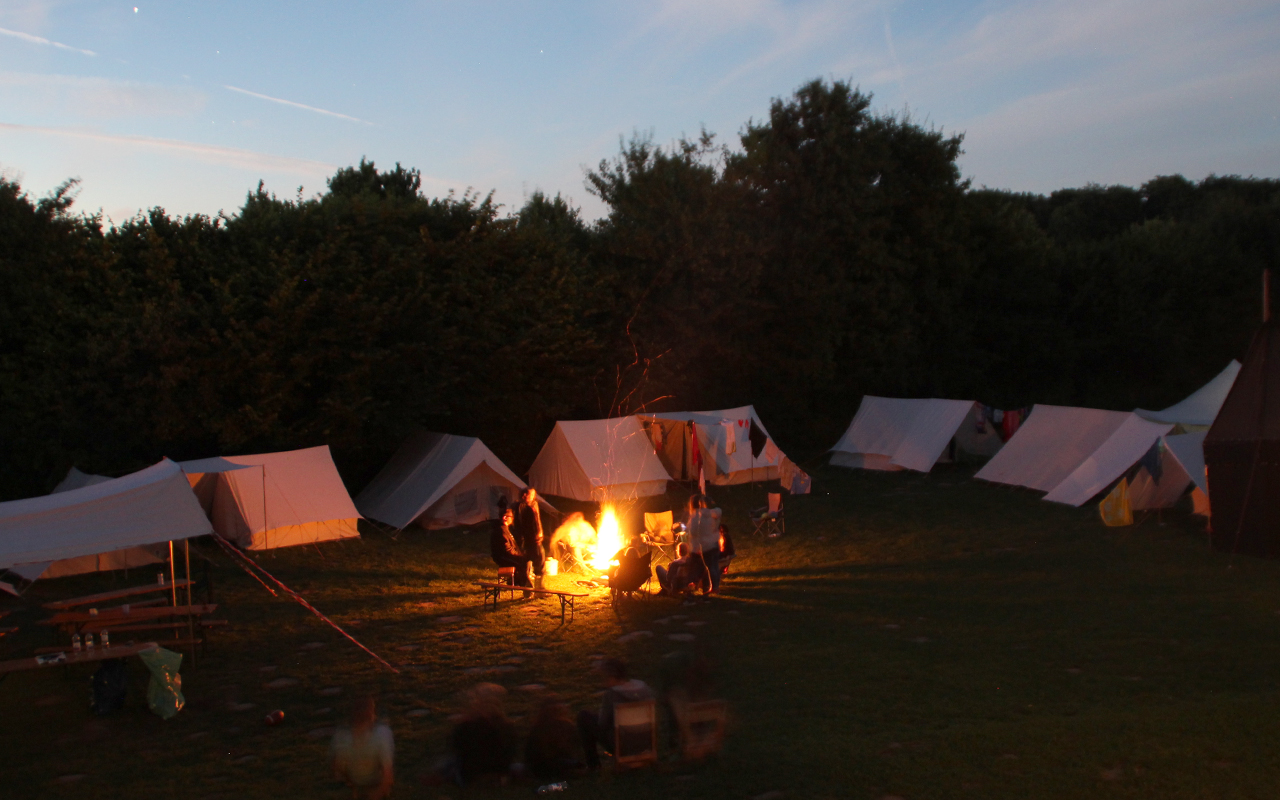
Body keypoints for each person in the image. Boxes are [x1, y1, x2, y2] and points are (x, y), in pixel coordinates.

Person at [428, 683, 518, 786]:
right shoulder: (507, 727)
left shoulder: (465, 727)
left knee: (445, 764)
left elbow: (457, 750)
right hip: (500, 776)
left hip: (470, 778)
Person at [577, 658, 654, 771]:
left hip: (622, 745)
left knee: (584, 716)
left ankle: (593, 765)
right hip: (645, 744)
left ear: (611, 676)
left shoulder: (612, 695)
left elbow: (602, 724)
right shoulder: (644, 688)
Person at [330, 695, 394, 799]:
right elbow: (388, 777)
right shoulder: (381, 735)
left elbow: (338, 770)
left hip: (369, 785)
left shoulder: (342, 738)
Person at [524, 696, 584, 783]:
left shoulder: (537, 727)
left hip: (539, 769)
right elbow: (577, 750)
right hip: (563, 766)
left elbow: (529, 754)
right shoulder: (568, 726)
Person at [685, 494, 723, 598]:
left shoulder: (696, 517)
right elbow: (718, 511)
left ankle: (714, 588)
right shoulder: (711, 513)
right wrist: (712, 501)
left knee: (711, 567)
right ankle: (716, 587)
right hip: (715, 542)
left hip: (706, 545)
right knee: (715, 566)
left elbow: (693, 532)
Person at [490, 507, 531, 588]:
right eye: (510, 517)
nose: (512, 519)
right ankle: (524, 584)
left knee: (526, 559)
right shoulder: (501, 531)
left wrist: (520, 553)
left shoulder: (505, 529)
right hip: (503, 557)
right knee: (525, 561)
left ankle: (520, 581)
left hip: (506, 555)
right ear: (505, 517)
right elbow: (507, 550)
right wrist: (519, 556)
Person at [514, 487, 546, 587]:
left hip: (535, 538)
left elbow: (537, 521)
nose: (525, 496)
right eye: (524, 494)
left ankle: (539, 586)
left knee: (540, 559)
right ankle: (527, 587)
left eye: (528, 494)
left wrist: (540, 532)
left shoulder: (534, 505)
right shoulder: (519, 506)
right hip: (525, 539)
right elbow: (518, 524)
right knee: (526, 561)